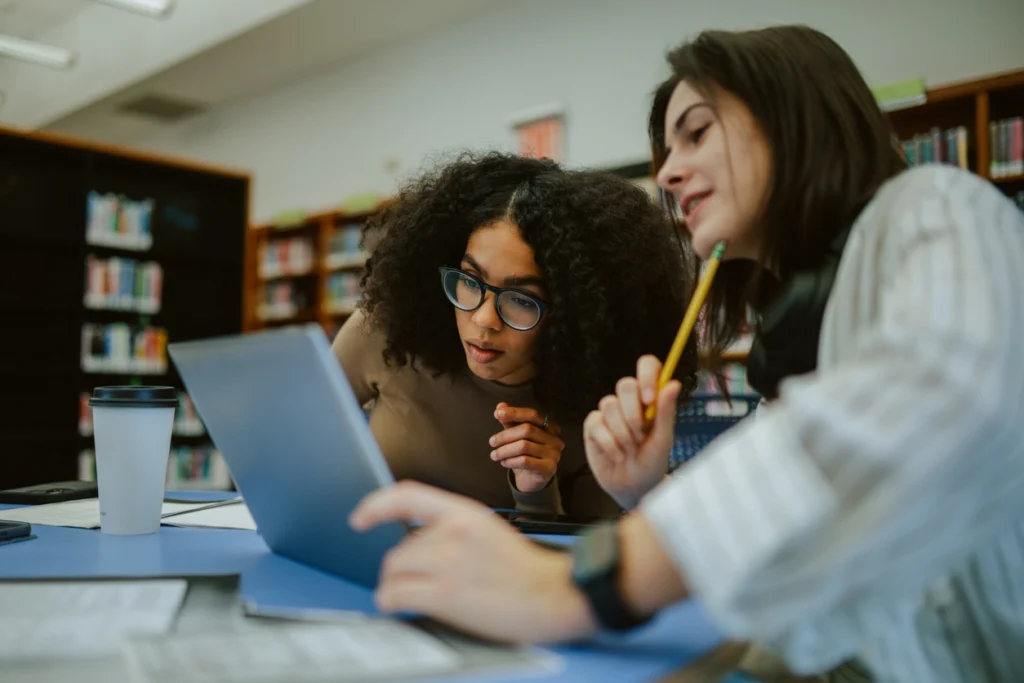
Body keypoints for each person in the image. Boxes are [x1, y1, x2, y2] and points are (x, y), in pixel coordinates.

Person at [347, 25, 1024, 683]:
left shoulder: (940, 206)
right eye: (667, 147)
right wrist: (647, 490)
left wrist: (581, 585)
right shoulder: (813, 320)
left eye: (697, 132)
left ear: (793, 122)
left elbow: (923, 401)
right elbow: (795, 540)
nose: (668, 171)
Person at [333, 151, 698, 519]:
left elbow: (572, 563)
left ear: (574, 313)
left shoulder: (599, 412)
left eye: (522, 299)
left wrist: (536, 489)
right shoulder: (389, 330)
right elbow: (297, 443)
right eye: (469, 280)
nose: (484, 318)